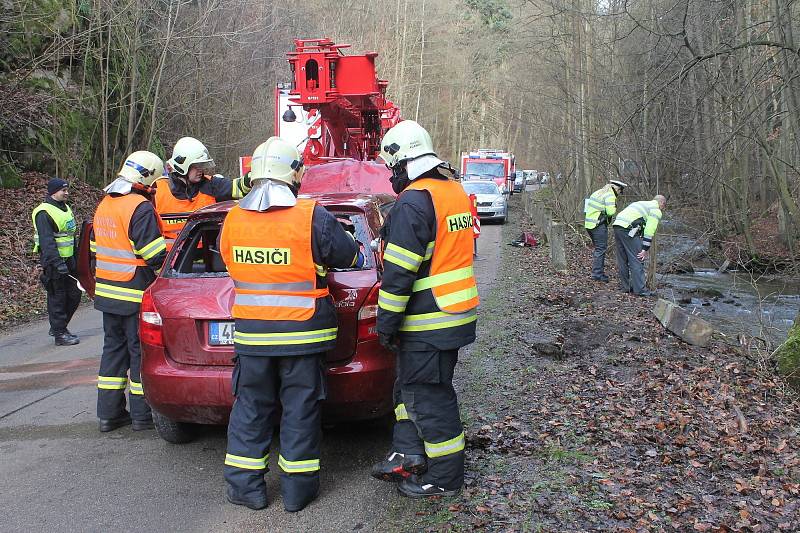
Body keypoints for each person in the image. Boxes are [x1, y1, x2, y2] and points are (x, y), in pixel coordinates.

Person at [220, 137, 363, 512]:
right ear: (293, 174)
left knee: (251, 408)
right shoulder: (311, 215)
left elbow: (228, 262)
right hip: (303, 336)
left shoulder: (233, 218)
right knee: (300, 409)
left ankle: (246, 489)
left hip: (252, 336)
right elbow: (347, 255)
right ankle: (298, 493)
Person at [371, 120, 478, 498]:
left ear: (402, 163)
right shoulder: (453, 191)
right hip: (453, 313)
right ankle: (409, 453)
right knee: (410, 389)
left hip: (429, 321)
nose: (391, 176)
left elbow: (398, 276)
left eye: (391, 168)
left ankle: (445, 478)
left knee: (429, 398)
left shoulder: (414, 201)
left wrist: (386, 325)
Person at [90, 151, 168, 432]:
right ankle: (141, 415)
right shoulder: (139, 207)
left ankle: (108, 415)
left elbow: (94, 250)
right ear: (148, 178)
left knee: (112, 351)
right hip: (134, 292)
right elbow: (153, 253)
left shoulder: (105, 204)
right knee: (139, 353)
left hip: (107, 293)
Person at [154, 136, 251, 250]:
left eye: (202, 165)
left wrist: (255, 176)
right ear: (182, 166)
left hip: (207, 260)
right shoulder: (157, 191)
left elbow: (240, 187)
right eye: (196, 166)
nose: (201, 170)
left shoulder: (212, 185)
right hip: (171, 262)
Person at [32, 178, 81, 346]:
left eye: (67, 190)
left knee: (74, 294)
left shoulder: (65, 208)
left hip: (69, 259)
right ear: (53, 192)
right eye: (63, 190)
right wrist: (57, 262)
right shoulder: (43, 212)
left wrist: (75, 259)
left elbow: (69, 237)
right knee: (57, 297)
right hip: (54, 263)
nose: (67, 193)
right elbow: (47, 242)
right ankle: (60, 334)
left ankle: (59, 327)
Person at [612, 195, 667, 296]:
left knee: (622, 259)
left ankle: (626, 287)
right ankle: (640, 290)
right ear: (661, 203)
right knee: (638, 258)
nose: (663, 209)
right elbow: (649, 230)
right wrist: (645, 249)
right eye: (664, 206)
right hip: (627, 229)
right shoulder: (656, 210)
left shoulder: (642, 203)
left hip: (617, 225)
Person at [583, 179, 627, 282]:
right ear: (617, 189)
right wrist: (614, 206)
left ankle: (597, 272)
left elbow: (586, 207)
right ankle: (597, 274)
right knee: (601, 249)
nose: (620, 194)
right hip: (598, 225)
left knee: (598, 249)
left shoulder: (598, 192)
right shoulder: (610, 195)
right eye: (620, 191)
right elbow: (611, 212)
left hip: (589, 224)